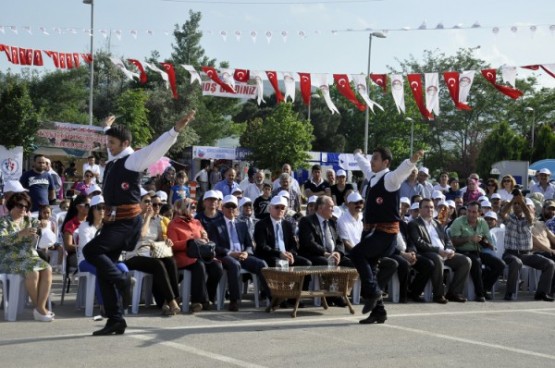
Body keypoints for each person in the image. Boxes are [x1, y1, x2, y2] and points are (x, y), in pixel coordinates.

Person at [83, 111, 195, 336]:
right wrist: (106, 128)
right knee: (103, 272)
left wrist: (175, 130)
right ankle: (115, 319)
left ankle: (123, 278)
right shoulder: (115, 158)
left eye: (112, 143)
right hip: (115, 222)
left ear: (125, 143)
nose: (109, 147)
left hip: (127, 223)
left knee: (90, 250)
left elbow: (156, 148)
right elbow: (110, 143)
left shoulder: (133, 159)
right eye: (108, 142)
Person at [351, 147, 423, 324]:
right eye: (372, 158)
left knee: (356, 254)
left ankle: (373, 292)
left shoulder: (390, 178)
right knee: (371, 267)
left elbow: (402, 171)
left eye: (375, 158)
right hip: (372, 232)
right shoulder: (373, 177)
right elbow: (364, 166)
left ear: (385, 162)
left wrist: (412, 160)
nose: (372, 161)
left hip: (384, 233)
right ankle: (379, 312)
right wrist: (357, 155)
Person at [206, 195, 269, 312]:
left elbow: (249, 244)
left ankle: (271, 296)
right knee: (234, 265)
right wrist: (231, 253)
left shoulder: (241, 224)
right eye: (228, 206)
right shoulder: (214, 224)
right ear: (222, 208)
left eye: (233, 206)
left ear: (237, 209)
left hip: (242, 256)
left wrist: (246, 252)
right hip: (225, 256)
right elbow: (215, 245)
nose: (231, 209)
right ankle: (234, 300)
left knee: (262, 264)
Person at [124, 189, 181, 315]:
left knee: (171, 261)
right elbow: (142, 235)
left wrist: (167, 242)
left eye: (151, 202)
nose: (150, 205)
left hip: (151, 253)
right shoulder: (132, 219)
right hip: (134, 255)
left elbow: (160, 240)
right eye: (147, 201)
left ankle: (169, 299)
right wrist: (148, 218)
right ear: (138, 203)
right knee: (158, 264)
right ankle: (172, 301)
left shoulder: (156, 221)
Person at [0, 192, 54, 321]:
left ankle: (39, 308)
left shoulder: (29, 221)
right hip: (9, 259)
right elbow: (1, 240)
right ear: (12, 205)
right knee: (33, 272)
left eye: (26, 207)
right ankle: (40, 308)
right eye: (20, 205)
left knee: (48, 269)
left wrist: (44, 224)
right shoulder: (4, 222)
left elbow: (43, 222)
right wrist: (20, 234)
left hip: (30, 257)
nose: (23, 209)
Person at [408, 198, 471, 304]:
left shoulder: (437, 223)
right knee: (437, 259)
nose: (430, 209)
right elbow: (419, 243)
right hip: (428, 253)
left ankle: (454, 293)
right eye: (426, 207)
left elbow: (447, 240)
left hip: (444, 253)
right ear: (419, 210)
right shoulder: (414, 224)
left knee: (466, 261)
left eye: (431, 207)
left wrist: (450, 250)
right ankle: (439, 295)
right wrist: (438, 250)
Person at [167, 198, 223, 313]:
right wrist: (188, 242)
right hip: (183, 257)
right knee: (199, 266)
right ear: (183, 208)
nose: (194, 210)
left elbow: (203, 236)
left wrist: (205, 238)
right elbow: (173, 245)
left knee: (217, 267)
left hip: (200, 254)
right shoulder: (173, 224)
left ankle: (208, 297)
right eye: (191, 207)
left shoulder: (196, 222)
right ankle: (197, 301)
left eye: (194, 207)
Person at [77, 195, 129, 315]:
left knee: (123, 269)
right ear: (92, 210)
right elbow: (86, 248)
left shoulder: (109, 226)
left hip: (106, 259)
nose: (102, 211)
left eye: (104, 208)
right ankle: (105, 305)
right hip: (87, 260)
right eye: (99, 208)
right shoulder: (84, 226)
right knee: (102, 270)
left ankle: (121, 301)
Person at [500, 194, 555, 301]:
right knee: (516, 262)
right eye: (515, 204)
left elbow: (530, 218)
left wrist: (522, 202)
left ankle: (541, 293)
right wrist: (512, 201)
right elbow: (502, 213)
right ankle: (510, 293)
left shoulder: (530, 219)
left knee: (550, 264)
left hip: (526, 254)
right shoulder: (509, 218)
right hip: (510, 253)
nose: (517, 205)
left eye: (519, 204)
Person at [449, 201, 506, 301]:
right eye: (469, 211)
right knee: (476, 261)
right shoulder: (458, 221)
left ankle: (484, 289)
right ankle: (479, 294)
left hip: (477, 251)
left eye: (474, 212)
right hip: (461, 251)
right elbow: (454, 241)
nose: (471, 214)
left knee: (500, 264)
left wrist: (486, 242)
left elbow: (488, 239)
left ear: (479, 213)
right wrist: (469, 238)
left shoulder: (482, 222)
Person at [254, 195, 311, 268]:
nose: (280, 210)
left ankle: (299, 280)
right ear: (270, 208)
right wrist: (280, 254)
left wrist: (290, 253)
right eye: (277, 207)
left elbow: (293, 243)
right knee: (282, 264)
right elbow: (262, 246)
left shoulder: (288, 225)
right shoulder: (261, 224)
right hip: (270, 255)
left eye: (282, 208)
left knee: (307, 263)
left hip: (286, 255)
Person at [61, 195, 91, 271]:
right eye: (87, 205)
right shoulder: (70, 224)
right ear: (78, 207)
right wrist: (84, 247)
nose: (90, 207)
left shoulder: (91, 223)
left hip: (90, 254)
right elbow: (68, 246)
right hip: (76, 255)